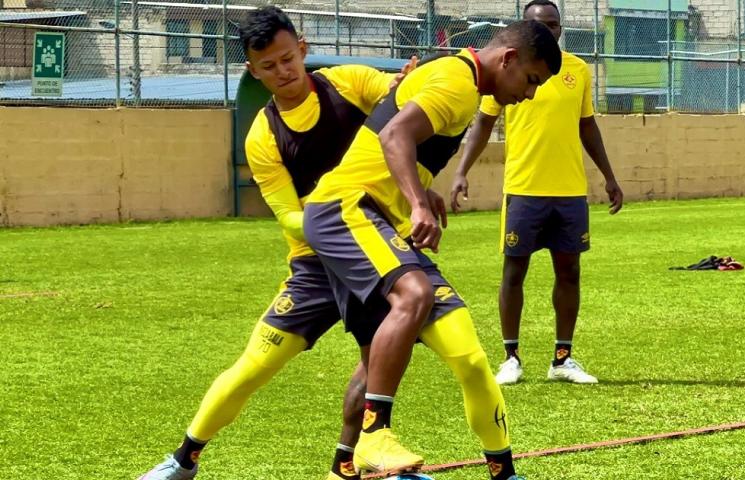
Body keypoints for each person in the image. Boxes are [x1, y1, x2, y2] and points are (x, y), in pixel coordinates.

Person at [138, 7, 416, 480]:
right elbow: (287, 215)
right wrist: (336, 216)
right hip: (314, 262)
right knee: (255, 365)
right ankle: (183, 460)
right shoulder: (263, 136)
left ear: (302, 49)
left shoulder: (348, 82)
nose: (282, 72)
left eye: (288, 59)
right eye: (268, 66)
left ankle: (346, 466)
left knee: (374, 365)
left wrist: (409, 83)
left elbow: (404, 104)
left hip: (374, 254)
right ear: (253, 69)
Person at [303, 20, 562, 480]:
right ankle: (374, 435)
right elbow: (393, 136)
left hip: (382, 219)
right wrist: (419, 203)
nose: (529, 95)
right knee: (415, 295)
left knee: (469, 357)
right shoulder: (457, 83)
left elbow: (395, 136)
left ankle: (349, 467)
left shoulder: (459, 76)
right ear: (507, 59)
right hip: (347, 209)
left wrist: (422, 188)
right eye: (530, 80)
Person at [450, 0, 624, 386]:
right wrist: (461, 171)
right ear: (527, 30)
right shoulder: (510, 71)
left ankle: (562, 358)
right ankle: (510, 357)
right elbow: (482, 122)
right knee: (515, 271)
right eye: (541, 25)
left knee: (570, 271)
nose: (550, 31)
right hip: (523, 189)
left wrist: (609, 177)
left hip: (569, 192)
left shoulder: (577, 70)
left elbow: (588, 126)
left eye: (554, 24)